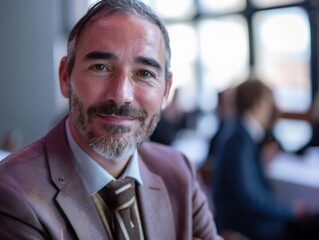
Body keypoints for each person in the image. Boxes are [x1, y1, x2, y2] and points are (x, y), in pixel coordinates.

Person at [0, 1, 222, 239]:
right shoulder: (13, 192)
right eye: (100, 67)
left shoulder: (179, 173)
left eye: (145, 73)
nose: (121, 95)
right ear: (65, 77)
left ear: (166, 90)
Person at [212, 79, 306, 240]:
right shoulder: (240, 140)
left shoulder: (238, 133)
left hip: (240, 221)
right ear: (259, 104)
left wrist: (258, 162)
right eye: (269, 102)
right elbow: (250, 199)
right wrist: (290, 210)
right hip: (244, 228)